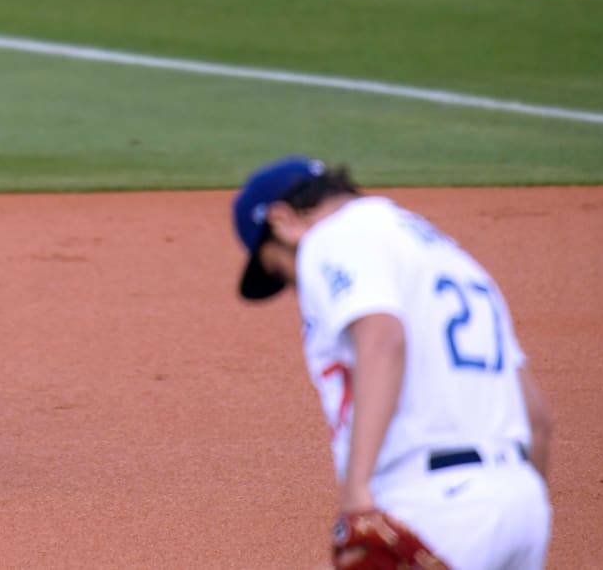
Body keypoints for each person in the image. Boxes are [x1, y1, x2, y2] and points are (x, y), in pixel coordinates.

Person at [232, 156, 553, 568]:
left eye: (287, 273)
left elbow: (382, 338)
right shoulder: (447, 255)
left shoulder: (330, 238)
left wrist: (357, 491)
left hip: (433, 505)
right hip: (523, 504)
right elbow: (539, 422)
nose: (301, 286)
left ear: (282, 220)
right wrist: (526, 512)